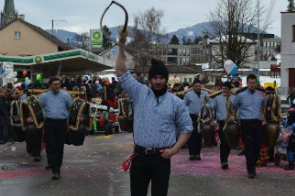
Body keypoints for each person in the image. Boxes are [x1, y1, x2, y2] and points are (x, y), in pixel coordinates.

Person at [116, 36, 193, 196]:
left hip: (161, 159)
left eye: (161, 78)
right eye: (155, 78)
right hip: (139, 157)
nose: (158, 81)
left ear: (166, 79)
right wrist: (121, 45)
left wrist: (174, 150)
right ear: (150, 79)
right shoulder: (139, 93)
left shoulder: (175, 103)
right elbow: (121, 72)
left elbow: (187, 128)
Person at [38, 77, 73, 180]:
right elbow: (38, 108)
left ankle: (58, 166)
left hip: (62, 124)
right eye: (55, 84)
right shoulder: (44, 96)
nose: (57, 86)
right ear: (50, 85)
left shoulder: (65, 95)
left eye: (58, 84)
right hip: (49, 123)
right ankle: (55, 170)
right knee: (51, 146)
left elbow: (71, 107)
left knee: (59, 147)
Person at [233, 74, 266, 179]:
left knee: (257, 146)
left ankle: (253, 163)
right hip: (246, 123)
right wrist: (236, 117)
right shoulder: (240, 95)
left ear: (256, 83)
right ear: (247, 83)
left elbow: (264, 106)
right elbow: (234, 106)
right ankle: (251, 170)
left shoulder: (261, 95)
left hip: (257, 123)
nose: (252, 85)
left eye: (254, 83)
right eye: (250, 83)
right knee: (249, 146)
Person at [210, 81, 235, 169]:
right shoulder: (217, 98)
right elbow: (211, 108)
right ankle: (223, 161)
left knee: (228, 142)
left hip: (232, 124)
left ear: (229, 89)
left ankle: (225, 159)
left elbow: (237, 110)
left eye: (226, 89)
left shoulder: (234, 98)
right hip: (222, 122)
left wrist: (233, 117)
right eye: (223, 88)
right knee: (223, 141)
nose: (224, 90)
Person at [184, 78, 209, 161]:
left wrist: (208, 113)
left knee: (199, 135)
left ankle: (197, 154)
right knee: (191, 135)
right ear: (193, 87)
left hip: (202, 116)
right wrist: (187, 113)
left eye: (199, 86)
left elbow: (210, 104)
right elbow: (184, 105)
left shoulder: (205, 93)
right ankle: (192, 154)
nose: (198, 87)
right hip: (192, 116)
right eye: (196, 86)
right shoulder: (188, 94)